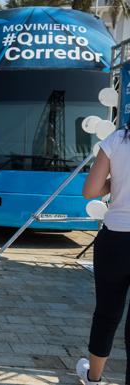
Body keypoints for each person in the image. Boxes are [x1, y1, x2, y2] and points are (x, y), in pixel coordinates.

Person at [77, 126, 130, 385]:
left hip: (116, 240)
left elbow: (90, 190)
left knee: (107, 312)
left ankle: (94, 377)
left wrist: (115, 183)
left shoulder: (118, 139)